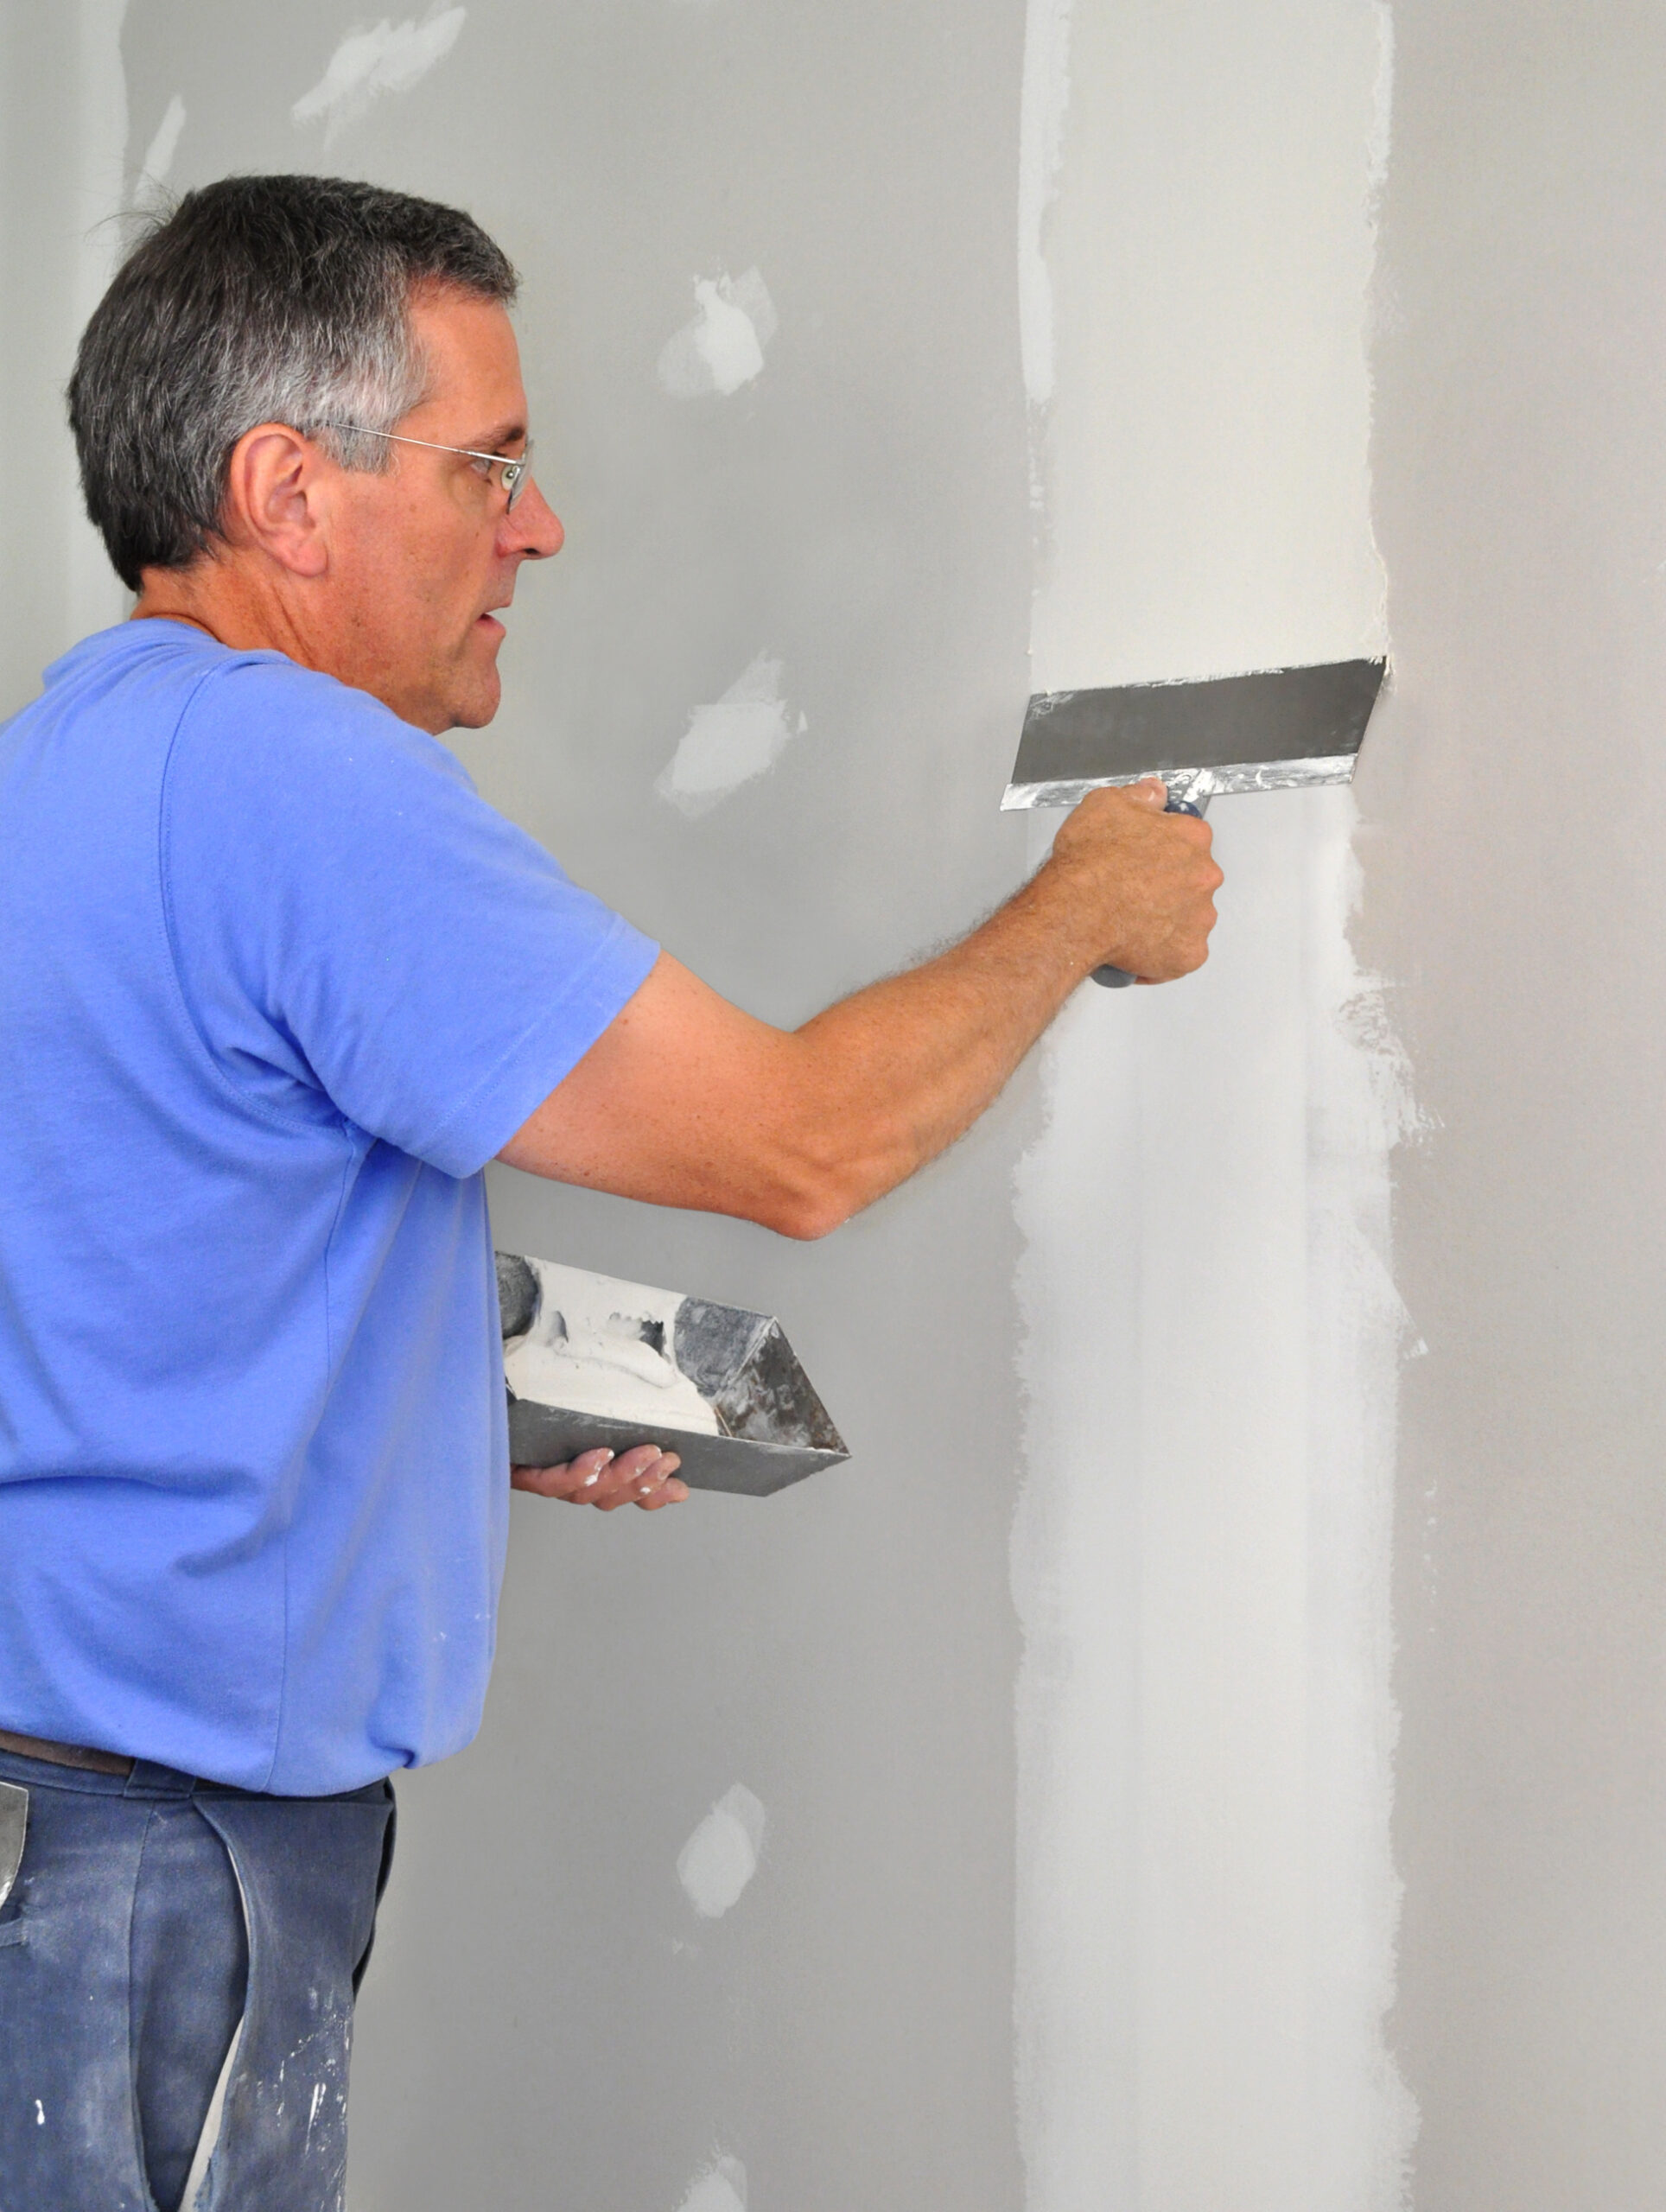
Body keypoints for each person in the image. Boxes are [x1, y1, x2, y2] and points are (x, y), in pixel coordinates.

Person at [0, 175, 1219, 2209]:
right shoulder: (297, 777)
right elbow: (803, 1144)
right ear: (288, 493)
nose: (539, 525)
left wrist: (445, 1410)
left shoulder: (56, 768)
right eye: (490, 465)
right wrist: (1086, 901)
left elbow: (119, 1265)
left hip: (59, 1807)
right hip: (160, 1855)